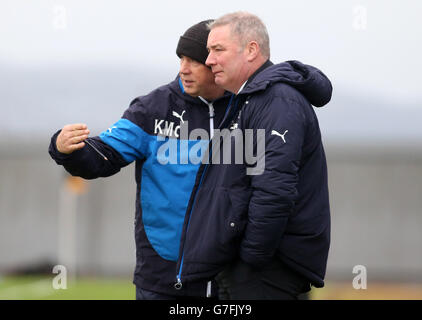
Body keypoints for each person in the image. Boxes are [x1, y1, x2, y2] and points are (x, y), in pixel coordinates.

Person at [48, 20, 232, 299]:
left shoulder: (249, 107)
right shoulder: (152, 108)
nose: (184, 68)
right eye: (181, 58)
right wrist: (68, 149)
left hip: (234, 279)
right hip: (162, 280)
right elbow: (104, 155)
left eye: (194, 61)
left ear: (216, 64)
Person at [174, 12, 332, 299]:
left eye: (217, 50)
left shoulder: (277, 101)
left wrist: (251, 258)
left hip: (264, 273)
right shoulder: (249, 99)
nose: (209, 60)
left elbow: (274, 190)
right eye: (209, 51)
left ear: (251, 50)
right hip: (247, 270)